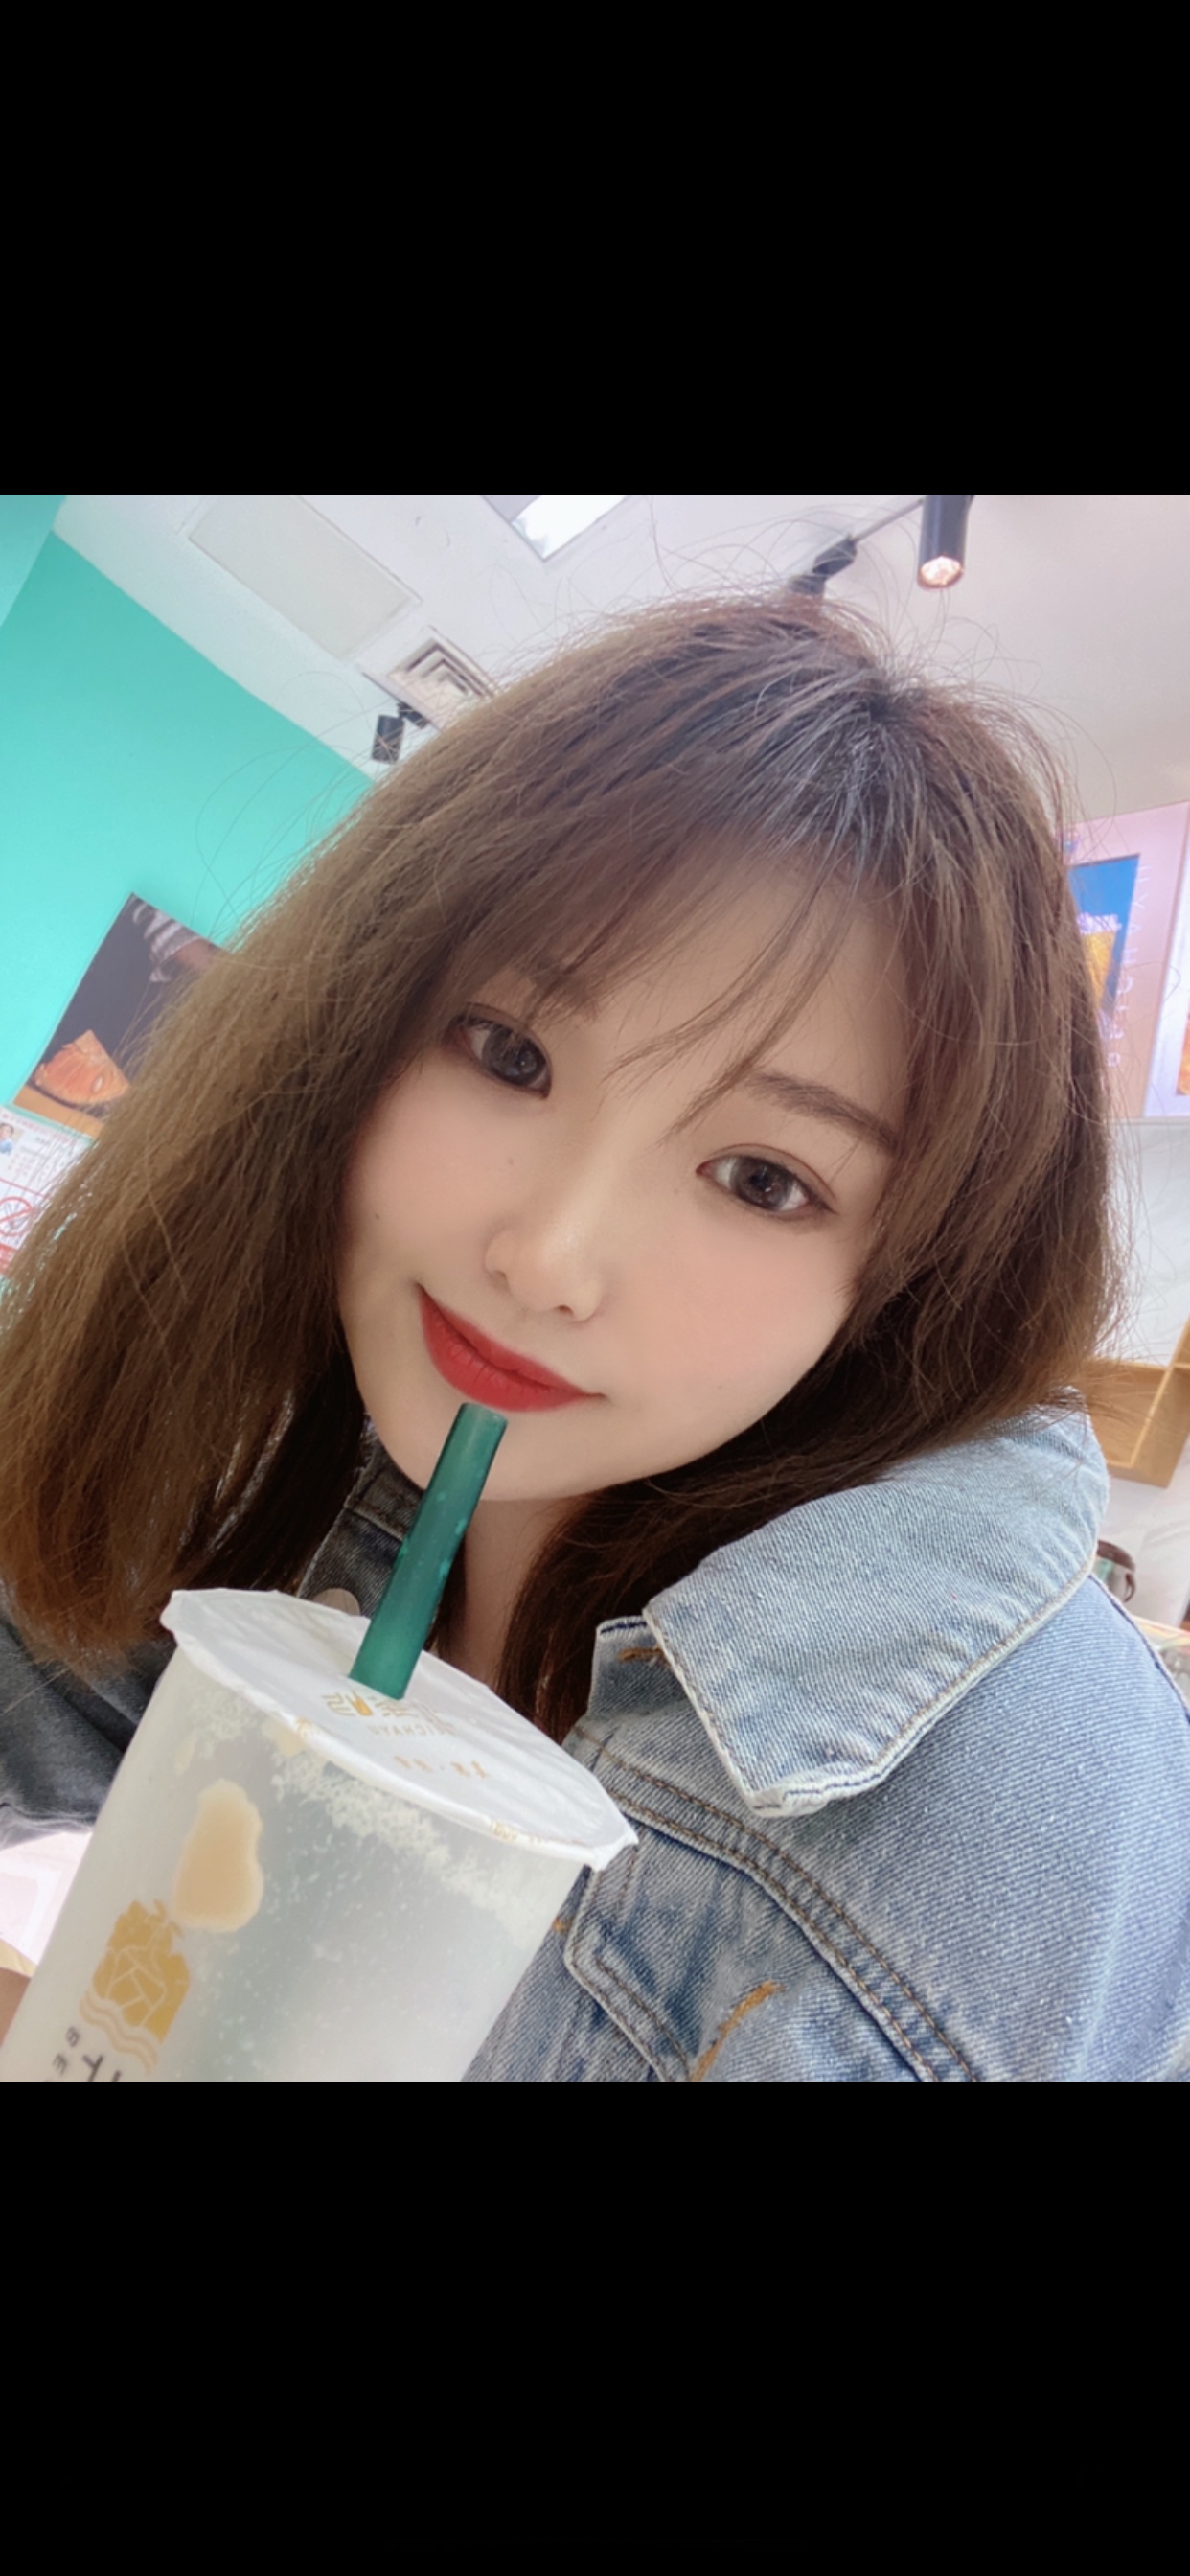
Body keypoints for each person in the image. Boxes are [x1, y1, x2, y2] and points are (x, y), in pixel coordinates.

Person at [2, 592, 1188, 2080]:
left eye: (761, 1179)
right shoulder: (273, 1419)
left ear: (907, 1283)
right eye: (510, 1053)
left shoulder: (1012, 1830)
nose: (547, 1260)